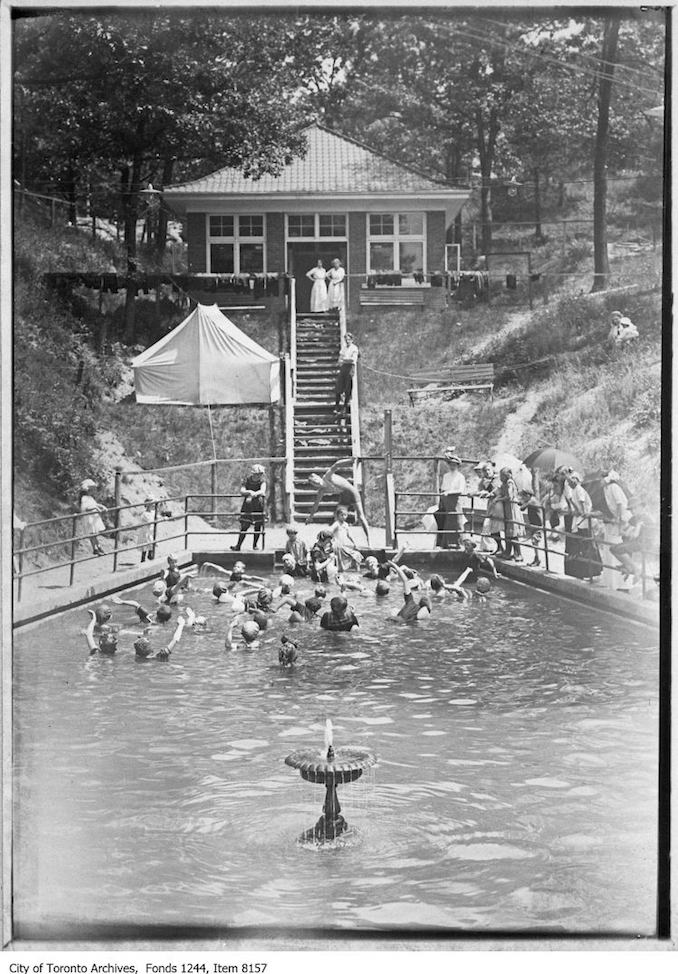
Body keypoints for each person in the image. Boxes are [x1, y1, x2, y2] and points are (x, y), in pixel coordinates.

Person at [306, 458, 370, 543]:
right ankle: (335, 541)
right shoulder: (321, 491)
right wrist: (310, 517)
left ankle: (369, 540)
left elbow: (336, 465)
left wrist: (349, 460)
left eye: (316, 480)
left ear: (318, 477)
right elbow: (315, 505)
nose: (316, 483)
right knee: (337, 518)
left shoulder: (327, 476)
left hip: (352, 492)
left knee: (361, 517)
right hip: (344, 496)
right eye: (314, 483)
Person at [83, 609, 183, 659]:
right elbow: (175, 640)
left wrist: (94, 619)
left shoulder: (97, 653)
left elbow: (88, 634)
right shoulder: (158, 658)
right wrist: (181, 625)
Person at [563, 473, 602, 580]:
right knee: (583, 546)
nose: (570, 484)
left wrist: (571, 502)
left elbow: (582, 510)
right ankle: (586, 571)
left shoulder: (579, 490)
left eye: (572, 481)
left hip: (584, 522)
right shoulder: (574, 490)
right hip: (580, 521)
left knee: (588, 545)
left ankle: (593, 571)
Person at [610, 496, 653, 588]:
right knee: (613, 548)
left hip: (645, 542)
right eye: (631, 509)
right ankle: (628, 565)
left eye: (635, 508)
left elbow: (634, 535)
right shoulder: (634, 518)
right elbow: (621, 531)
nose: (633, 511)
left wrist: (630, 532)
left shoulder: (645, 518)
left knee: (619, 549)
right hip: (636, 541)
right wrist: (628, 531)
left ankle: (636, 569)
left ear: (641, 507)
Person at [600, 469, 630, 588]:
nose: (600, 481)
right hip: (616, 519)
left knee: (617, 545)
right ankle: (611, 580)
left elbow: (620, 504)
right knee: (609, 545)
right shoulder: (605, 489)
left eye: (602, 478)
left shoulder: (613, 487)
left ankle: (620, 581)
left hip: (623, 518)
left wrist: (617, 519)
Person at [489, 467, 524, 561]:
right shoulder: (504, 484)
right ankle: (507, 552)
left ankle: (518, 554)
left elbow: (509, 497)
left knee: (513, 531)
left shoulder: (510, 483)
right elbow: (498, 490)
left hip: (512, 508)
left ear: (507, 475)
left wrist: (498, 499)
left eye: (502, 476)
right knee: (508, 531)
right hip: (507, 508)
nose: (501, 478)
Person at [435, 452, 467, 549]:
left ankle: (460, 543)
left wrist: (450, 492)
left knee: (457, 521)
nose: (452, 466)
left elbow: (460, 490)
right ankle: (447, 543)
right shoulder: (446, 476)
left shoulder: (460, 477)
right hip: (446, 501)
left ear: (457, 465)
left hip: (455, 500)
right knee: (447, 521)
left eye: (454, 464)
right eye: (450, 464)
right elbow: (443, 488)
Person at [231, 463, 266, 551]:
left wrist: (254, 494)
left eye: (260, 474)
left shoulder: (262, 481)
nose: (259, 476)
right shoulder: (247, 480)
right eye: (257, 474)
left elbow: (262, 491)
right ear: (253, 474)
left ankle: (255, 545)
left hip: (258, 505)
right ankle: (238, 545)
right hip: (248, 505)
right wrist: (249, 492)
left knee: (258, 525)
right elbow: (242, 490)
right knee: (245, 525)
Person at [78, 478, 107, 555]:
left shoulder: (90, 498)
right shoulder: (84, 498)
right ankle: (97, 548)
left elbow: (95, 504)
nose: (93, 491)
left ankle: (97, 548)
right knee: (93, 534)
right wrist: (96, 508)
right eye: (91, 489)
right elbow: (86, 508)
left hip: (93, 518)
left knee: (94, 534)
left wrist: (102, 506)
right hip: (89, 518)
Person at [331, 505, 364, 571]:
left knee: (356, 555)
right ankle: (341, 569)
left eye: (345, 515)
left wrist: (355, 543)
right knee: (339, 556)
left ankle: (357, 570)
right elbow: (330, 531)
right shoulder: (337, 524)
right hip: (337, 546)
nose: (343, 517)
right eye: (342, 515)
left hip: (343, 545)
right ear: (338, 516)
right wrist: (332, 540)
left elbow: (349, 535)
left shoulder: (345, 525)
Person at [334, 332, 359, 418]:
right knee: (338, 386)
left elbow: (353, 360)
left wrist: (344, 360)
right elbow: (340, 358)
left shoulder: (354, 348)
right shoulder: (344, 348)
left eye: (349, 339)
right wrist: (342, 360)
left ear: (352, 340)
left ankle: (344, 407)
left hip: (350, 368)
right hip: (344, 368)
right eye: (346, 340)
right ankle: (336, 406)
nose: (347, 341)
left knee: (348, 388)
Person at [518, 488, 545, 567]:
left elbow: (522, 508)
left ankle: (537, 559)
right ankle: (536, 558)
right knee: (534, 542)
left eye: (524, 496)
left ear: (528, 495)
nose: (523, 497)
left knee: (534, 541)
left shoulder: (532, 500)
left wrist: (522, 502)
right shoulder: (530, 500)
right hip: (534, 524)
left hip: (538, 525)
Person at [138, 496, 157, 563]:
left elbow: (157, 516)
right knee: (145, 545)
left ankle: (150, 556)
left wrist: (163, 518)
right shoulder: (145, 514)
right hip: (145, 532)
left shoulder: (153, 512)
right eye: (151, 505)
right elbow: (150, 521)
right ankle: (143, 559)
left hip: (151, 531)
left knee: (151, 544)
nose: (153, 506)